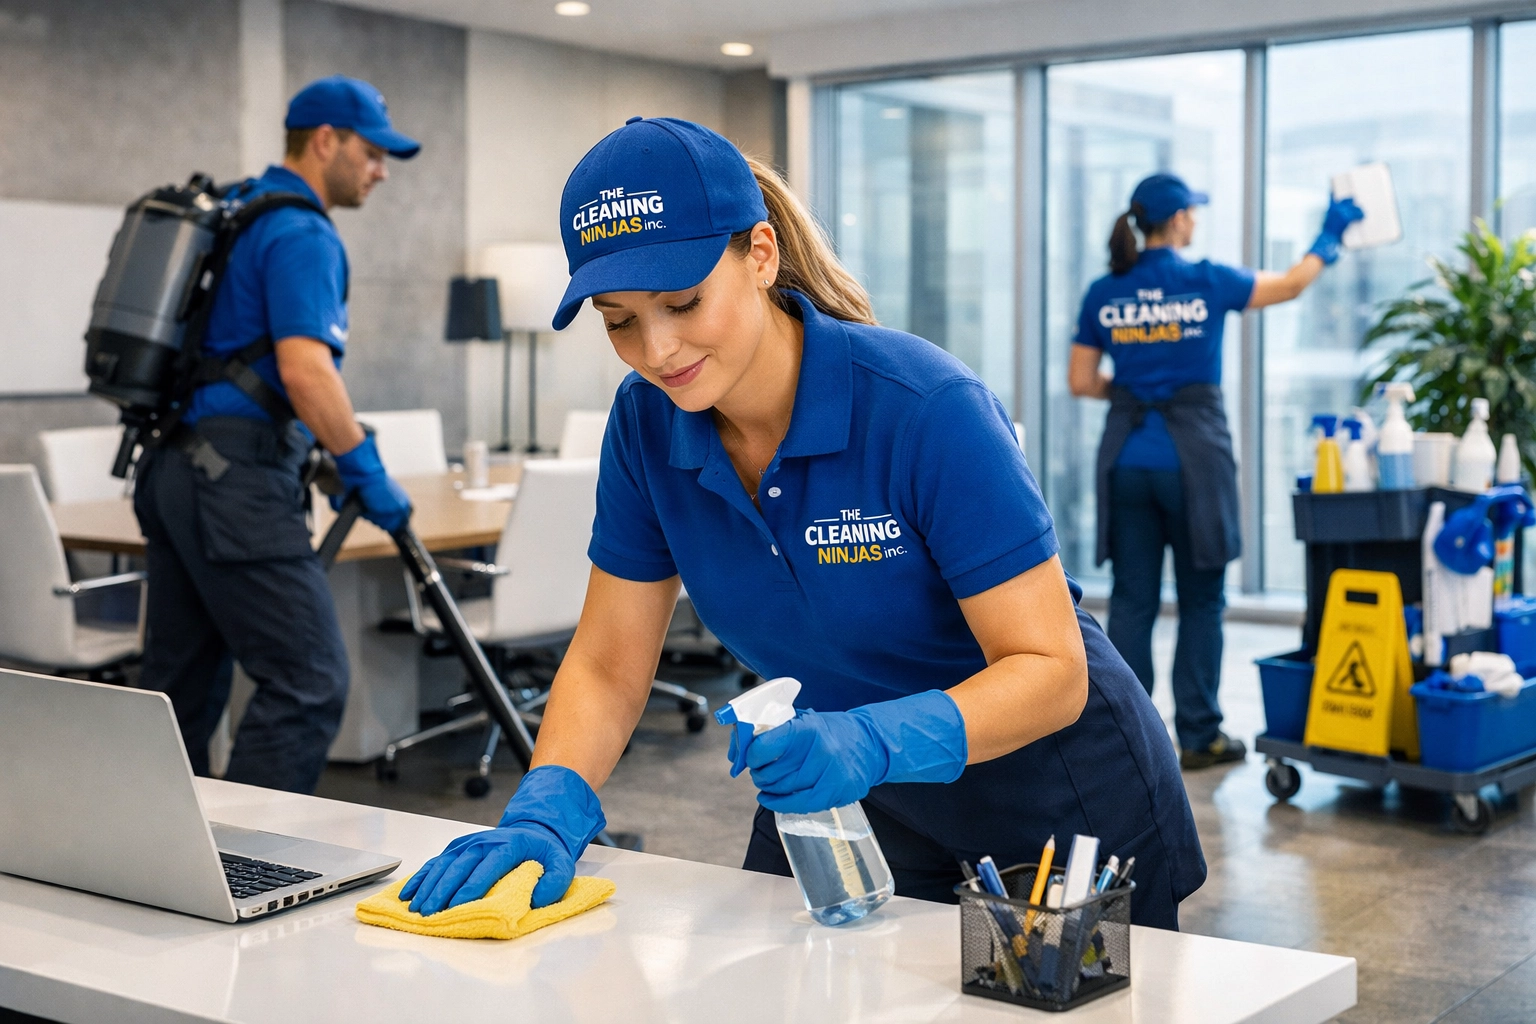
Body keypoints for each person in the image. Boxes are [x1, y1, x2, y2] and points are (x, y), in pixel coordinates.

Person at [401, 117, 1204, 929]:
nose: (658, 348)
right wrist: (548, 804)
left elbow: (1051, 670)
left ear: (759, 254)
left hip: (1051, 796)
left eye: (683, 302)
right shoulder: (646, 426)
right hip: (848, 797)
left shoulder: (925, 409)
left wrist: (871, 742)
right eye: (619, 320)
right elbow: (610, 663)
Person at [133, 76, 419, 794]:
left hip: (172, 470)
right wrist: (361, 464)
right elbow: (306, 370)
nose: (381, 170)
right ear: (326, 141)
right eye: (374, 152)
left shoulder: (238, 209)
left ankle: (157, 868)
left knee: (176, 693)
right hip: (236, 483)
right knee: (309, 681)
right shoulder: (302, 232)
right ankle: (248, 866)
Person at [1068, 173, 1362, 770]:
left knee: (1132, 600)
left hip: (1127, 460)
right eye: (1192, 212)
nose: (1196, 221)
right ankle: (1200, 735)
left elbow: (1080, 380)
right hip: (1194, 460)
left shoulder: (1105, 290)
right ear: (1176, 220)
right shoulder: (1206, 281)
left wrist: (1134, 395)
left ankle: (1125, 736)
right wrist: (1330, 234)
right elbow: (1292, 284)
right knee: (1202, 599)